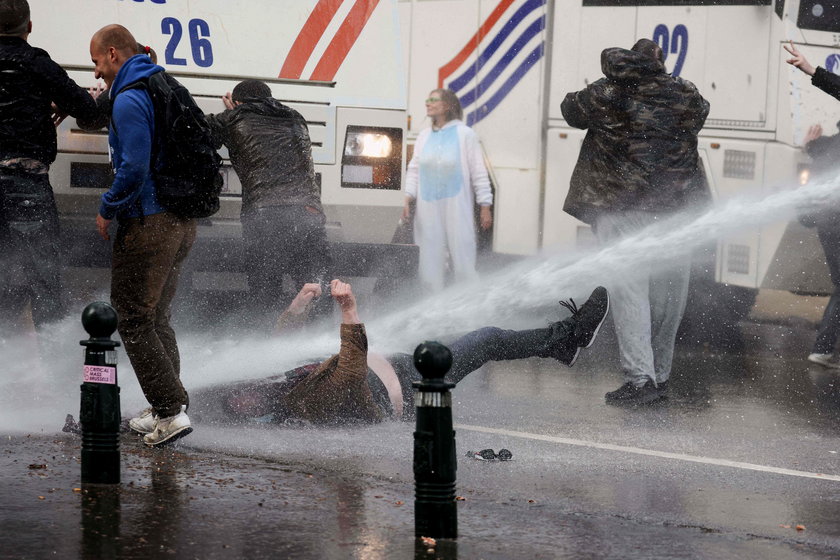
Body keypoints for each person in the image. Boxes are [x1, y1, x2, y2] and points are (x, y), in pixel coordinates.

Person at [191, 281, 610, 425]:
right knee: (485, 339)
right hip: (412, 390)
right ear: (248, 413)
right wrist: (349, 310)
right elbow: (349, 374)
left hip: (404, 363)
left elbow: (280, 347)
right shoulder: (302, 405)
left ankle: (559, 347)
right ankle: (565, 339)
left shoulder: (280, 384)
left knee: (475, 334)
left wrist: (298, 305)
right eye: (239, 402)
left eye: (239, 390)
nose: (244, 394)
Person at [561, 39, 710, 406]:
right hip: (676, 209)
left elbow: (570, 110)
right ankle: (659, 378)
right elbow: (701, 113)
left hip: (622, 205)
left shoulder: (607, 91)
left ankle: (639, 379)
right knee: (667, 297)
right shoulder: (684, 92)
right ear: (660, 61)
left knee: (631, 293)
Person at [90, 24, 195, 447]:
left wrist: (106, 207)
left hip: (150, 223)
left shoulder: (130, 98)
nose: (97, 73)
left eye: (97, 62)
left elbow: (133, 167)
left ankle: (170, 412)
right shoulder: (157, 85)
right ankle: (169, 405)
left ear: (113, 54)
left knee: (131, 317)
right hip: (180, 222)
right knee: (155, 317)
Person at [0, 0, 97, 333]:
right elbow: (90, 111)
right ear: (29, 27)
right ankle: (54, 366)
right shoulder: (39, 65)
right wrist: (51, 104)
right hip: (26, 184)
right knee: (43, 279)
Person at [205, 79, 331, 330]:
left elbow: (193, 130)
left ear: (238, 102)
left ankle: (265, 344)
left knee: (265, 289)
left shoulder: (234, 118)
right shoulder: (295, 117)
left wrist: (233, 113)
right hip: (309, 212)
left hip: (267, 214)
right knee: (314, 286)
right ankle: (321, 343)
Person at [403, 88, 493, 292]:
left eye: (433, 100)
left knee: (462, 254)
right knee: (429, 259)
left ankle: (469, 301)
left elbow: (479, 171)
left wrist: (485, 205)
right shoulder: (424, 136)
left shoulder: (465, 134)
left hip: (456, 206)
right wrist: (407, 197)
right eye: (427, 98)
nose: (428, 103)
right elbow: (414, 170)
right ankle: (430, 300)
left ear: (447, 106)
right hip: (428, 207)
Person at [785, 42, 840, 368]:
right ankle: (821, 349)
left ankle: (823, 348)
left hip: (827, 222)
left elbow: (820, 146)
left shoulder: (829, 145)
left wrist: (811, 69)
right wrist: (812, 70)